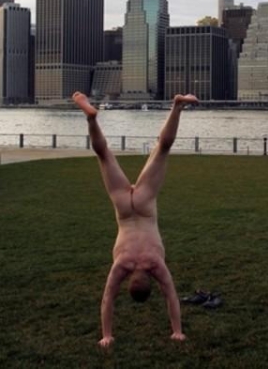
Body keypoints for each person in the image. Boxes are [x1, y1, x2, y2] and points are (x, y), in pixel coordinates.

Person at [73, 91, 199, 348]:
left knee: (162, 149)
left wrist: (178, 330)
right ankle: (91, 120)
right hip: (124, 208)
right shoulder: (122, 265)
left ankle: (177, 106)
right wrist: (105, 335)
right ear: (130, 282)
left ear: (149, 282)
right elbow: (108, 297)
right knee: (104, 154)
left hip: (144, 204)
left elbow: (171, 296)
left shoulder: (156, 265)